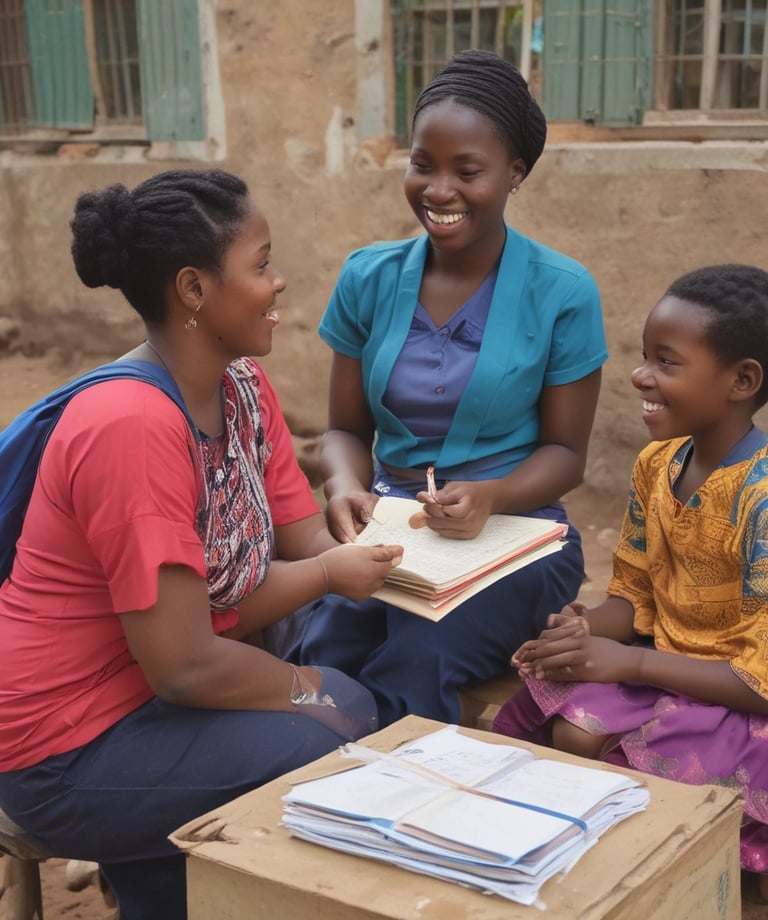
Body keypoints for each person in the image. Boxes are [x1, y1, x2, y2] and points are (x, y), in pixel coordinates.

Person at [0, 168, 403, 920]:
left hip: (148, 706)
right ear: (193, 289)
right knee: (340, 718)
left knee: (338, 696)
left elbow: (303, 539)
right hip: (64, 747)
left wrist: (385, 544)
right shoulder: (131, 427)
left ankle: (158, 887)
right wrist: (307, 692)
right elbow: (185, 665)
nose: (279, 284)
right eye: (260, 265)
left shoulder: (240, 384)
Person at [286, 50, 608, 727]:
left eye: (468, 171)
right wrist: (346, 485)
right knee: (326, 643)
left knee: (422, 652)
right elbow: (345, 431)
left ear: (515, 173)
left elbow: (565, 454)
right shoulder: (367, 278)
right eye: (423, 164)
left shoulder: (562, 292)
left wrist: (490, 495)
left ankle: (401, 812)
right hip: (396, 530)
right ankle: (306, 789)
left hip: (516, 536)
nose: (438, 190)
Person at [493, 263, 768, 904]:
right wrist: (583, 631)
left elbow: (761, 679)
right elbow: (635, 597)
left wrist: (633, 661)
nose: (642, 375)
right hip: (668, 670)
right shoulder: (657, 464)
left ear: (742, 381)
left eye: (667, 362)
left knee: (624, 759)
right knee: (573, 725)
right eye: (645, 356)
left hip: (740, 693)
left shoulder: (760, 499)